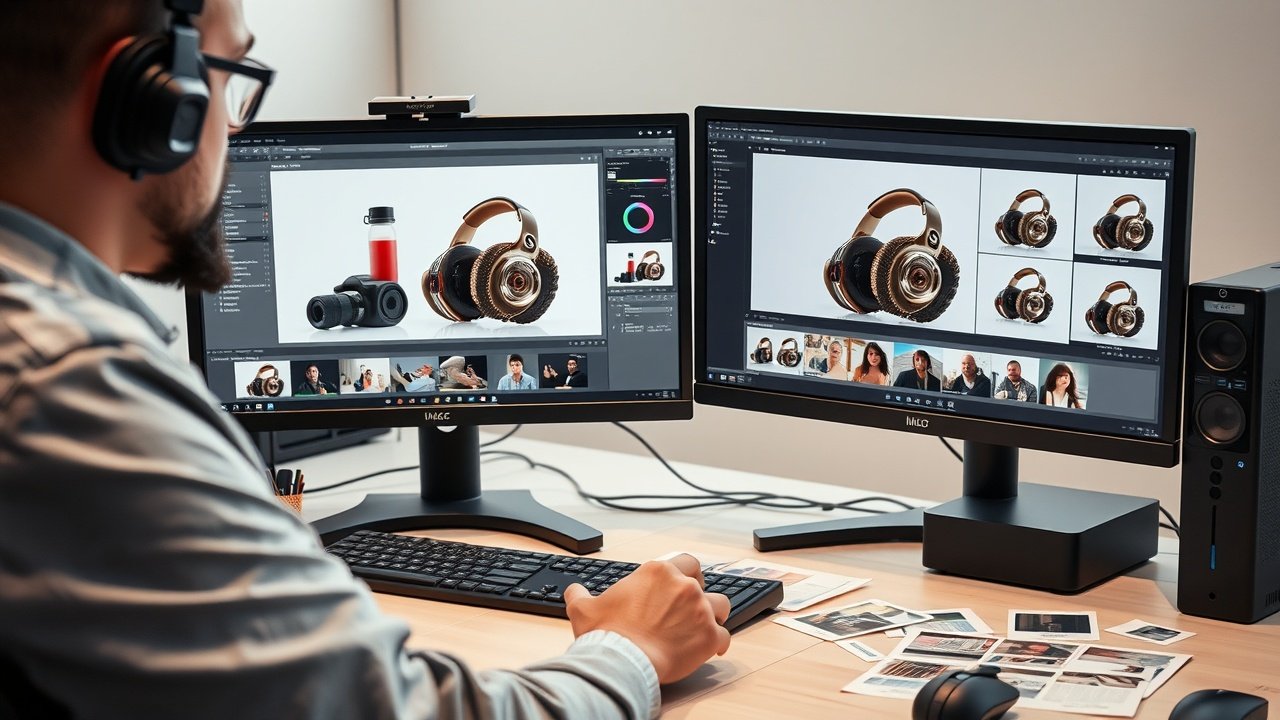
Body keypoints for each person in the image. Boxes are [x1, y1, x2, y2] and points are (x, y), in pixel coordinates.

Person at [0, 2, 731, 716]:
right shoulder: (69, 386)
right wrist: (629, 649)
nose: (233, 125)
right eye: (229, 83)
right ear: (153, 105)